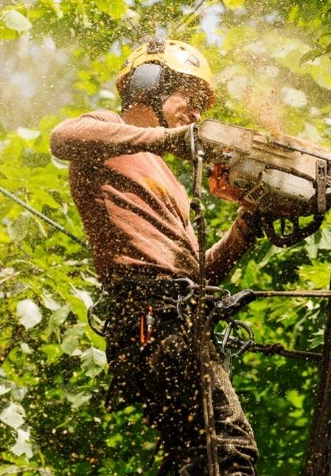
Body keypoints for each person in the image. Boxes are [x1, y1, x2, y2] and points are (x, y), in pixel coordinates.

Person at [50, 38, 261, 475]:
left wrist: (249, 219)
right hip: (150, 313)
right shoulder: (105, 131)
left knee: (193, 456)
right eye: (192, 97)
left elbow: (198, 268)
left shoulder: (170, 180)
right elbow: (62, 137)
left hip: (176, 314)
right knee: (227, 448)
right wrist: (170, 138)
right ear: (149, 85)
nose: (198, 112)